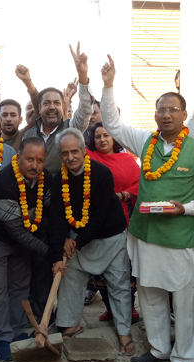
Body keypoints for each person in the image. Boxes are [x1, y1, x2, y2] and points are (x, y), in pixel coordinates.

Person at [100, 55, 194, 362]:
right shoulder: (145, 142)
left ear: (184, 115)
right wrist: (109, 86)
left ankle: (183, 358)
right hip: (143, 234)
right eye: (161, 110)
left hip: (178, 237)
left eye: (172, 109)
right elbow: (112, 124)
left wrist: (184, 208)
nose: (165, 114)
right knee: (149, 293)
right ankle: (158, 348)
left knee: (182, 301)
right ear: (155, 115)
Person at [49, 129, 135, 354]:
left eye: (74, 151)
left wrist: (75, 241)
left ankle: (124, 332)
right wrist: (59, 251)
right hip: (79, 237)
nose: (70, 158)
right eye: (65, 153)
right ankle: (70, 323)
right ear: (60, 155)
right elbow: (57, 219)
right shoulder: (59, 180)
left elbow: (99, 215)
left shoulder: (101, 173)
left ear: (84, 151)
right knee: (70, 279)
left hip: (111, 237)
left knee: (119, 285)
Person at [0, 137, 52, 362]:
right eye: (29, 159)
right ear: (18, 157)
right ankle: (2, 337)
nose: (34, 165)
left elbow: (50, 215)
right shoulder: (2, 182)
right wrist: (52, 253)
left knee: (20, 286)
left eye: (40, 160)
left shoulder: (46, 179)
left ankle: (19, 329)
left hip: (24, 241)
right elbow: (17, 232)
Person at [84, 123, 141, 322]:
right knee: (103, 269)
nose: (102, 140)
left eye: (106, 135)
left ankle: (129, 308)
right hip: (98, 221)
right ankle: (110, 307)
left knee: (125, 267)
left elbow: (138, 182)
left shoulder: (127, 159)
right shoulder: (88, 157)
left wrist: (124, 194)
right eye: (97, 136)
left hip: (125, 218)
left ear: (114, 138)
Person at [13, 43, 93, 174]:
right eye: (47, 103)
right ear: (39, 107)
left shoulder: (71, 128)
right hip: (33, 193)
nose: (51, 107)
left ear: (63, 106)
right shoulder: (29, 134)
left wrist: (82, 74)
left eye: (56, 103)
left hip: (63, 192)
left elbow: (85, 109)